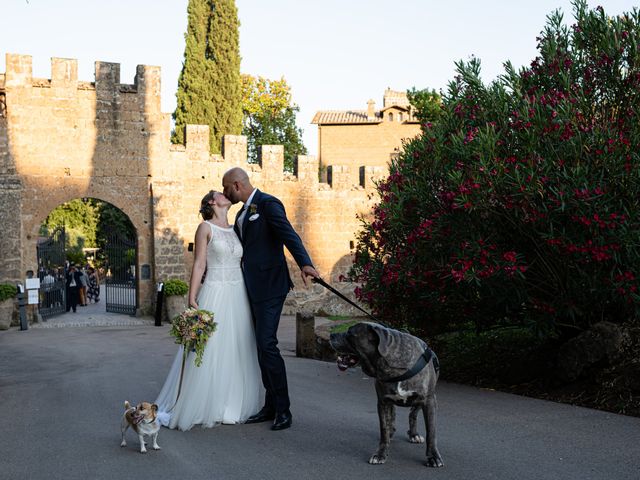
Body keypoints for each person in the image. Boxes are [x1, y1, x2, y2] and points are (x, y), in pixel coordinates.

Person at [222, 167, 320, 431]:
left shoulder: (268, 204)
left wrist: (305, 263)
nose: (224, 193)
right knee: (260, 348)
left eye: (226, 188)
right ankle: (270, 406)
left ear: (236, 184)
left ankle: (284, 410)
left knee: (267, 345)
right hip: (251, 289)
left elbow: (288, 234)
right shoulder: (242, 213)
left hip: (271, 286)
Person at [155, 190, 262, 431]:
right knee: (211, 346)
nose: (226, 195)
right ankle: (203, 404)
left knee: (237, 346)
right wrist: (192, 295)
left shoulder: (236, 228)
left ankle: (231, 405)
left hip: (238, 293)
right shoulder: (205, 228)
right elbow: (200, 263)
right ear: (212, 202)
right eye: (220, 194)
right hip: (216, 290)